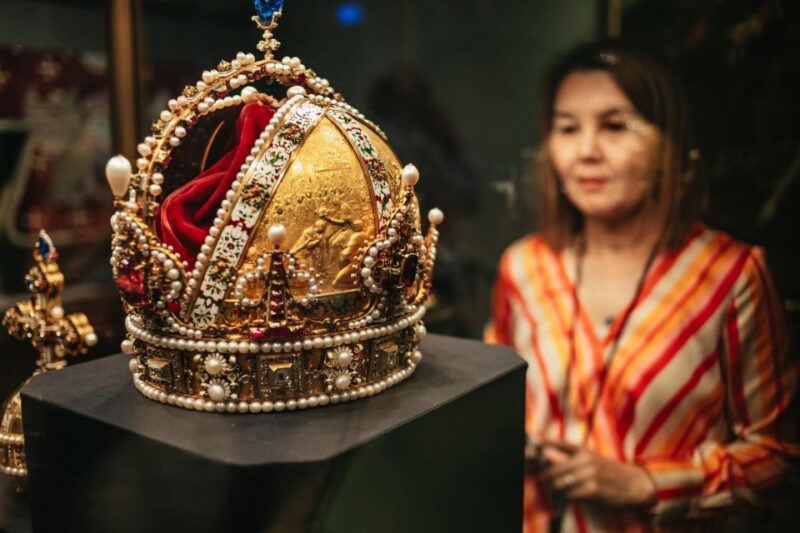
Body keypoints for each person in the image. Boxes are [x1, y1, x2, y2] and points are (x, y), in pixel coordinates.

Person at [485, 41, 799, 532]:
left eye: (615, 126)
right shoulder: (525, 267)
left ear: (670, 144)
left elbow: (777, 457)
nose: (587, 151)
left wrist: (648, 483)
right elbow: (495, 406)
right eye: (567, 128)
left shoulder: (730, 274)